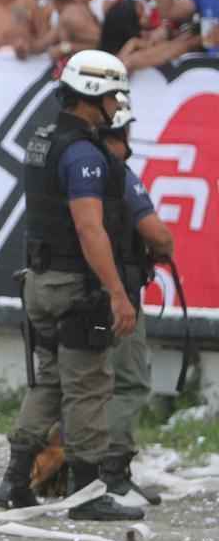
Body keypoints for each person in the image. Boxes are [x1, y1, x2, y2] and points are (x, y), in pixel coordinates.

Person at [0, 50, 146, 523]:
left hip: (39, 281)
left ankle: (15, 480)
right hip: (74, 286)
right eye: (114, 96)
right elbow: (89, 228)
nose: (117, 106)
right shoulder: (83, 153)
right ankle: (86, 493)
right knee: (88, 386)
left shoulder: (44, 139)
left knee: (50, 380)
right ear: (93, 95)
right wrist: (117, 292)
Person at [98, 99, 173, 506]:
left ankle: (59, 471)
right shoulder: (118, 175)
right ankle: (111, 475)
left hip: (72, 290)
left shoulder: (67, 167)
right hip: (115, 294)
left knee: (80, 383)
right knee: (129, 382)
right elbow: (157, 235)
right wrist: (160, 250)